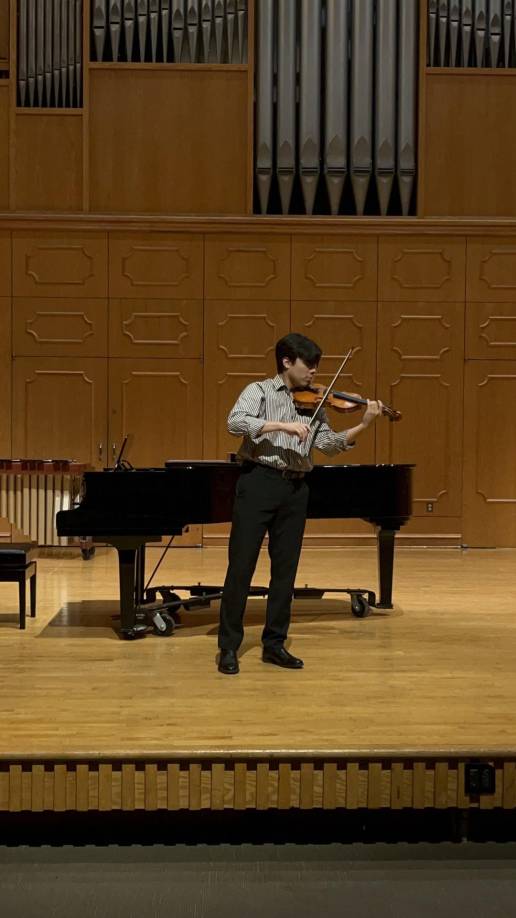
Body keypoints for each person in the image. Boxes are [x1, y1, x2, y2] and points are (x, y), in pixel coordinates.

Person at [217, 333, 382, 675]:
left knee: (285, 572)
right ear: (287, 362)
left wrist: (363, 424)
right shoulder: (258, 391)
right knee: (241, 569)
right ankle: (228, 647)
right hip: (259, 482)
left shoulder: (313, 403)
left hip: (295, 490)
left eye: (316, 366)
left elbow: (330, 445)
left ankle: (274, 644)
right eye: (309, 365)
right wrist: (282, 426)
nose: (314, 372)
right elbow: (235, 422)